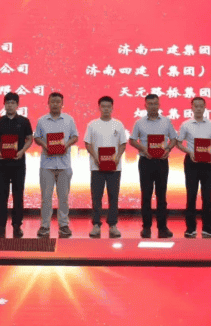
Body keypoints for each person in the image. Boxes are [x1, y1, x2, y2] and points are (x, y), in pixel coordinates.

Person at [129, 94, 177, 238]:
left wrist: (168, 149)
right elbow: (132, 140)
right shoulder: (139, 123)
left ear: (159, 105)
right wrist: (143, 149)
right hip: (146, 161)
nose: (153, 106)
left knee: (161, 195)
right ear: (145, 106)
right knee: (146, 195)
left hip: (162, 161)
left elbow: (174, 139)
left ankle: (162, 228)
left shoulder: (166, 121)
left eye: (155, 104)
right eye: (150, 104)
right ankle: (146, 227)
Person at [34, 92, 79, 238]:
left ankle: (64, 225)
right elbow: (37, 137)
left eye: (58, 102)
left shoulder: (69, 120)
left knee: (63, 197)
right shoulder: (42, 120)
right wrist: (45, 145)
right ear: (48, 103)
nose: (55, 104)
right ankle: (44, 226)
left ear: (62, 104)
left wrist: (66, 144)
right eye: (52, 101)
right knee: (46, 198)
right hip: (47, 165)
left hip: (64, 164)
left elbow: (75, 136)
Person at [176, 97, 211, 238]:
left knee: (207, 196)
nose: (198, 109)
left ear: (205, 107)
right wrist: (189, 152)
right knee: (191, 195)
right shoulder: (186, 124)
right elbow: (178, 143)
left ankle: (207, 228)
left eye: (201, 106)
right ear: (192, 107)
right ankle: (190, 228)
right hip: (192, 162)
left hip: (207, 163)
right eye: (196, 106)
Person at [0, 92, 34, 238]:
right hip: (2, 164)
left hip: (18, 164)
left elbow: (29, 138)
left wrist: (22, 151)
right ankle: (0, 226)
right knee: (2, 196)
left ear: (17, 105)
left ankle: (17, 226)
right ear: (4, 105)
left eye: (13, 103)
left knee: (18, 195)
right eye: (7, 103)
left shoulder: (24, 121)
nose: (10, 106)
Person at [84, 96, 127, 239]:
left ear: (112, 108)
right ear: (99, 108)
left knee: (113, 197)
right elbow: (88, 144)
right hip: (97, 167)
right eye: (103, 106)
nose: (106, 109)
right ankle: (96, 224)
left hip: (114, 168)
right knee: (96, 197)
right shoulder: (92, 125)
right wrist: (96, 157)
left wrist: (117, 157)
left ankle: (113, 225)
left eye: (108, 106)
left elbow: (123, 144)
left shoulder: (118, 125)